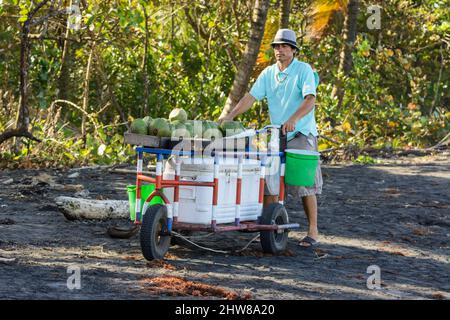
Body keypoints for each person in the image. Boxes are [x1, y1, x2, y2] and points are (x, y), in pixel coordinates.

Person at [218, 29, 322, 248]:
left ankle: (313, 230)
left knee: (304, 184)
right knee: (269, 176)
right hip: (276, 134)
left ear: (294, 50)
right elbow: (251, 97)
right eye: (277, 46)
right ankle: (270, 227)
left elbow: (310, 99)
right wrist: (230, 116)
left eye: (284, 46)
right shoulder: (268, 73)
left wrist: (293, 118)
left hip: (301, 132)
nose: (280, 50)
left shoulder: (303, 70)